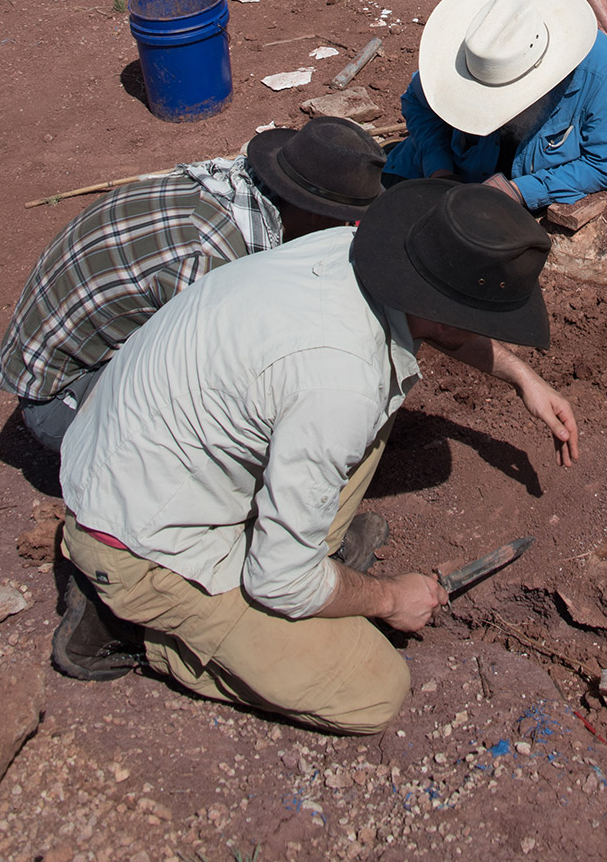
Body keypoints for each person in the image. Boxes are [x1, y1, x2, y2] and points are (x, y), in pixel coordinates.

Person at [55, 179, 578, 732]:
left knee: (381, 392)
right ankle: (133, 630)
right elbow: (279, 581)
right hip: (136, 541)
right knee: (374, 689)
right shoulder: (340, 381)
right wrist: (390, 598)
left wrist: (521, 376)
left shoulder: (353, 253)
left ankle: (296, 555)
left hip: (138, 454)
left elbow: (438, 323)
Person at [0, 118, 386, 452]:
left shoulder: (227, 189)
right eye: (341, 220)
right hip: (60, 403)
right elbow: (220, 371)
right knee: (242, 419)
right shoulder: (210, 259)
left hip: (77, 353)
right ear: (313, 215)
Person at [383, 0, 607, 207]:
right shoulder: (476, 42)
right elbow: (417, 100)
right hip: (438, 179)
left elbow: (605, 162)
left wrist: (521, 191)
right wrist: (439, 168)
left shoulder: (599, 67)